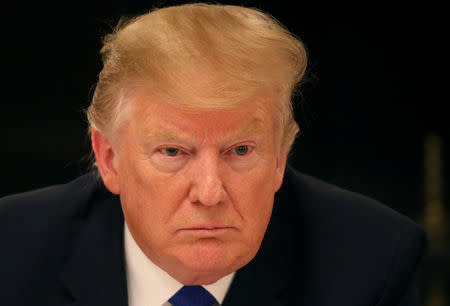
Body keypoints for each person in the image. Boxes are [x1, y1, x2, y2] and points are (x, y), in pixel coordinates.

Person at [0, 3, 426, 306]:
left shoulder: (373, 262)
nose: (209, 192)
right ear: (109, 159)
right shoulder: (12, 252)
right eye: (173, 151)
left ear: (280, 158)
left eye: (240, 150)